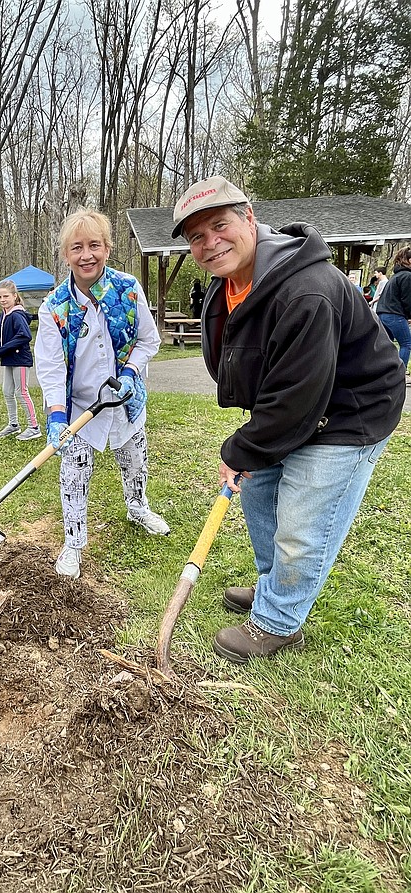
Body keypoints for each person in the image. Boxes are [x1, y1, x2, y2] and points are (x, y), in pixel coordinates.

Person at [171, 176, 405, 663]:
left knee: (301, 522)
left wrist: (241, 448)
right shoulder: (229, 285)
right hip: (296, 407)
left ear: (249, 218)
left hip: (347, 413)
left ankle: (278, 623)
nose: (210, 243)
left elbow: (301, 396)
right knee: (259, 493)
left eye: (220, 225)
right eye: (197, 236)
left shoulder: (305, 291)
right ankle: (274, 588)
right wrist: (256, 443)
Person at [35, 208, 169, 580]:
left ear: (107, 248)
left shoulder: (127, 288)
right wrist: (57, 415)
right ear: (66, 255)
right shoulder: (54, 307)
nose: (86, 255)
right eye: (77, 247)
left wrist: (129, 373)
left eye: (94, 245)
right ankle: (73, 543)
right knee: (73, 474)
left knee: (135, 462)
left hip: (125, 399)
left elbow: (148, 340)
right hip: (77, 408)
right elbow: (50, 365)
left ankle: (138, 508)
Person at [0, 279, 41, 440]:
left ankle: (34, 427)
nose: (2, 300)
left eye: (6, 296)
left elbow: (24, 336)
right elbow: (3, 337)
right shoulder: (4, 314)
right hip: (9, 359)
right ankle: (13, 424)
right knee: (7, 391)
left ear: (14, 296)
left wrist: (3, 349)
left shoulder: (17, 315)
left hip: (20, 358)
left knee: (22, 392)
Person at [375, 247, 411, 378]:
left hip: (382, 314)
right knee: (407, 344)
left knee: (386, 346)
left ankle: (382, 373)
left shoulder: (395, 276)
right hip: (395, 315)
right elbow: (407, 299)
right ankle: (399, 375)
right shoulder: (407, 276)